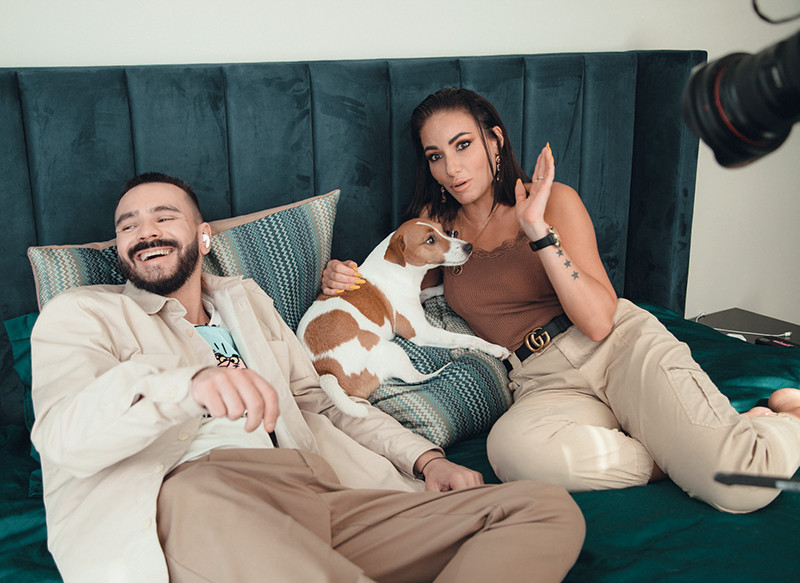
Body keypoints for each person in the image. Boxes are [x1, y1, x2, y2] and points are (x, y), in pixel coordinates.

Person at [29, 172, 585, 583]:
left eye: (163, 217)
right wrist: (185, 386)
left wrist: (425, 460)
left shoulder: (246, 301)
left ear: (204, 237)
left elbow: (322, 404)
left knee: (541, 510)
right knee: (204, 496)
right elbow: (61, 437)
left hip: (314, 489)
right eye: (128, 225)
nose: (144, 232)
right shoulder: (82, 314)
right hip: (196, 495)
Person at [322, 87, 800, 514]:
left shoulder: (554, 201)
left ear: (495, 141)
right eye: (435, 155)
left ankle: (786, 420)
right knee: (513, 454)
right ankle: (683, 450)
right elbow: (386, 287)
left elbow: (598, 322)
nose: (451, 168)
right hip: (540, 380)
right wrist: (339, 278)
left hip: (617, 348)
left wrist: (537, 229)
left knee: (741, 486)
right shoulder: (436, 228)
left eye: (463, 145)